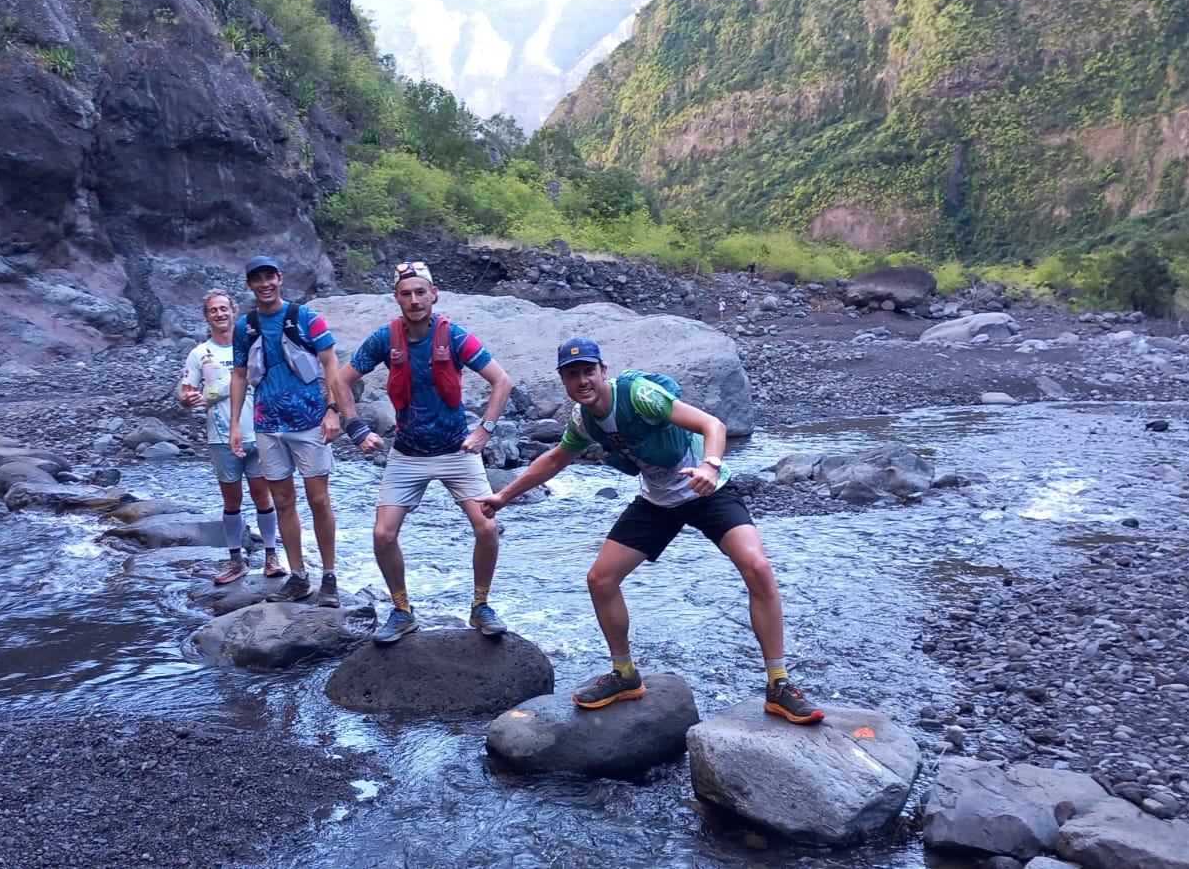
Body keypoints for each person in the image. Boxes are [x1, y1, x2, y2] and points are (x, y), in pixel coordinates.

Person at [473, 338, 825, 725]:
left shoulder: (640, 395)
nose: (582, 380)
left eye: (588, 371)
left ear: (603, 371)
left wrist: (709, 466)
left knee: (756, 567)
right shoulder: (582, 419)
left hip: (706, 490)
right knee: (600, 579)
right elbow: (556, 459)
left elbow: (713, 424)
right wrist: (503, 495)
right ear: (563, 381)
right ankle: (624, 675)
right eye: (572, 374)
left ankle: (778, 685)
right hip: (658, 502)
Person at [333, 261, 514, 645]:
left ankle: (481, 605)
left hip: (456, 450)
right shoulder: (384, 338)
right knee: (383, 535)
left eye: (420, 292)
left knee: (487, 527)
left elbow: (502, 381)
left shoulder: (456, 337)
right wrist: (355, 427)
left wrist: (485, 429)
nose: (414, 300)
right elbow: (341, 381)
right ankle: (402, 611)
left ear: (434, 295)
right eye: (406, 293)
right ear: (396, 298)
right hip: (408, 453)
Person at [228, 255, 345, 607]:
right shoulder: (244, 327)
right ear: (250, 285)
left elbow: (330, 362)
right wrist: (235, 424)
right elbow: (238, 375)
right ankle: (298, 576)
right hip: (267, 425)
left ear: (280, 278)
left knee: (319, 500)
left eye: (269, 277)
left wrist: (333, 410)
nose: (264, 284)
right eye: (257, 279)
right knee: (282, 501)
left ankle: (328, 576)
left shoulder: (305, 317)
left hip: (309, 423)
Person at [180, 290, 284, 584]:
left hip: (259, 432)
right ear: (207, 316)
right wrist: (187, 399)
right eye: (214, 310)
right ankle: (235, 561)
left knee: (262, 495)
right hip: (221, 436)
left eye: (224, 309)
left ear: (233, 312)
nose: (220, 314)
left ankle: (271, 557)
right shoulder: (199, 353)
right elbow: (186, 391)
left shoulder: (250, 345)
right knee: (232, 499)